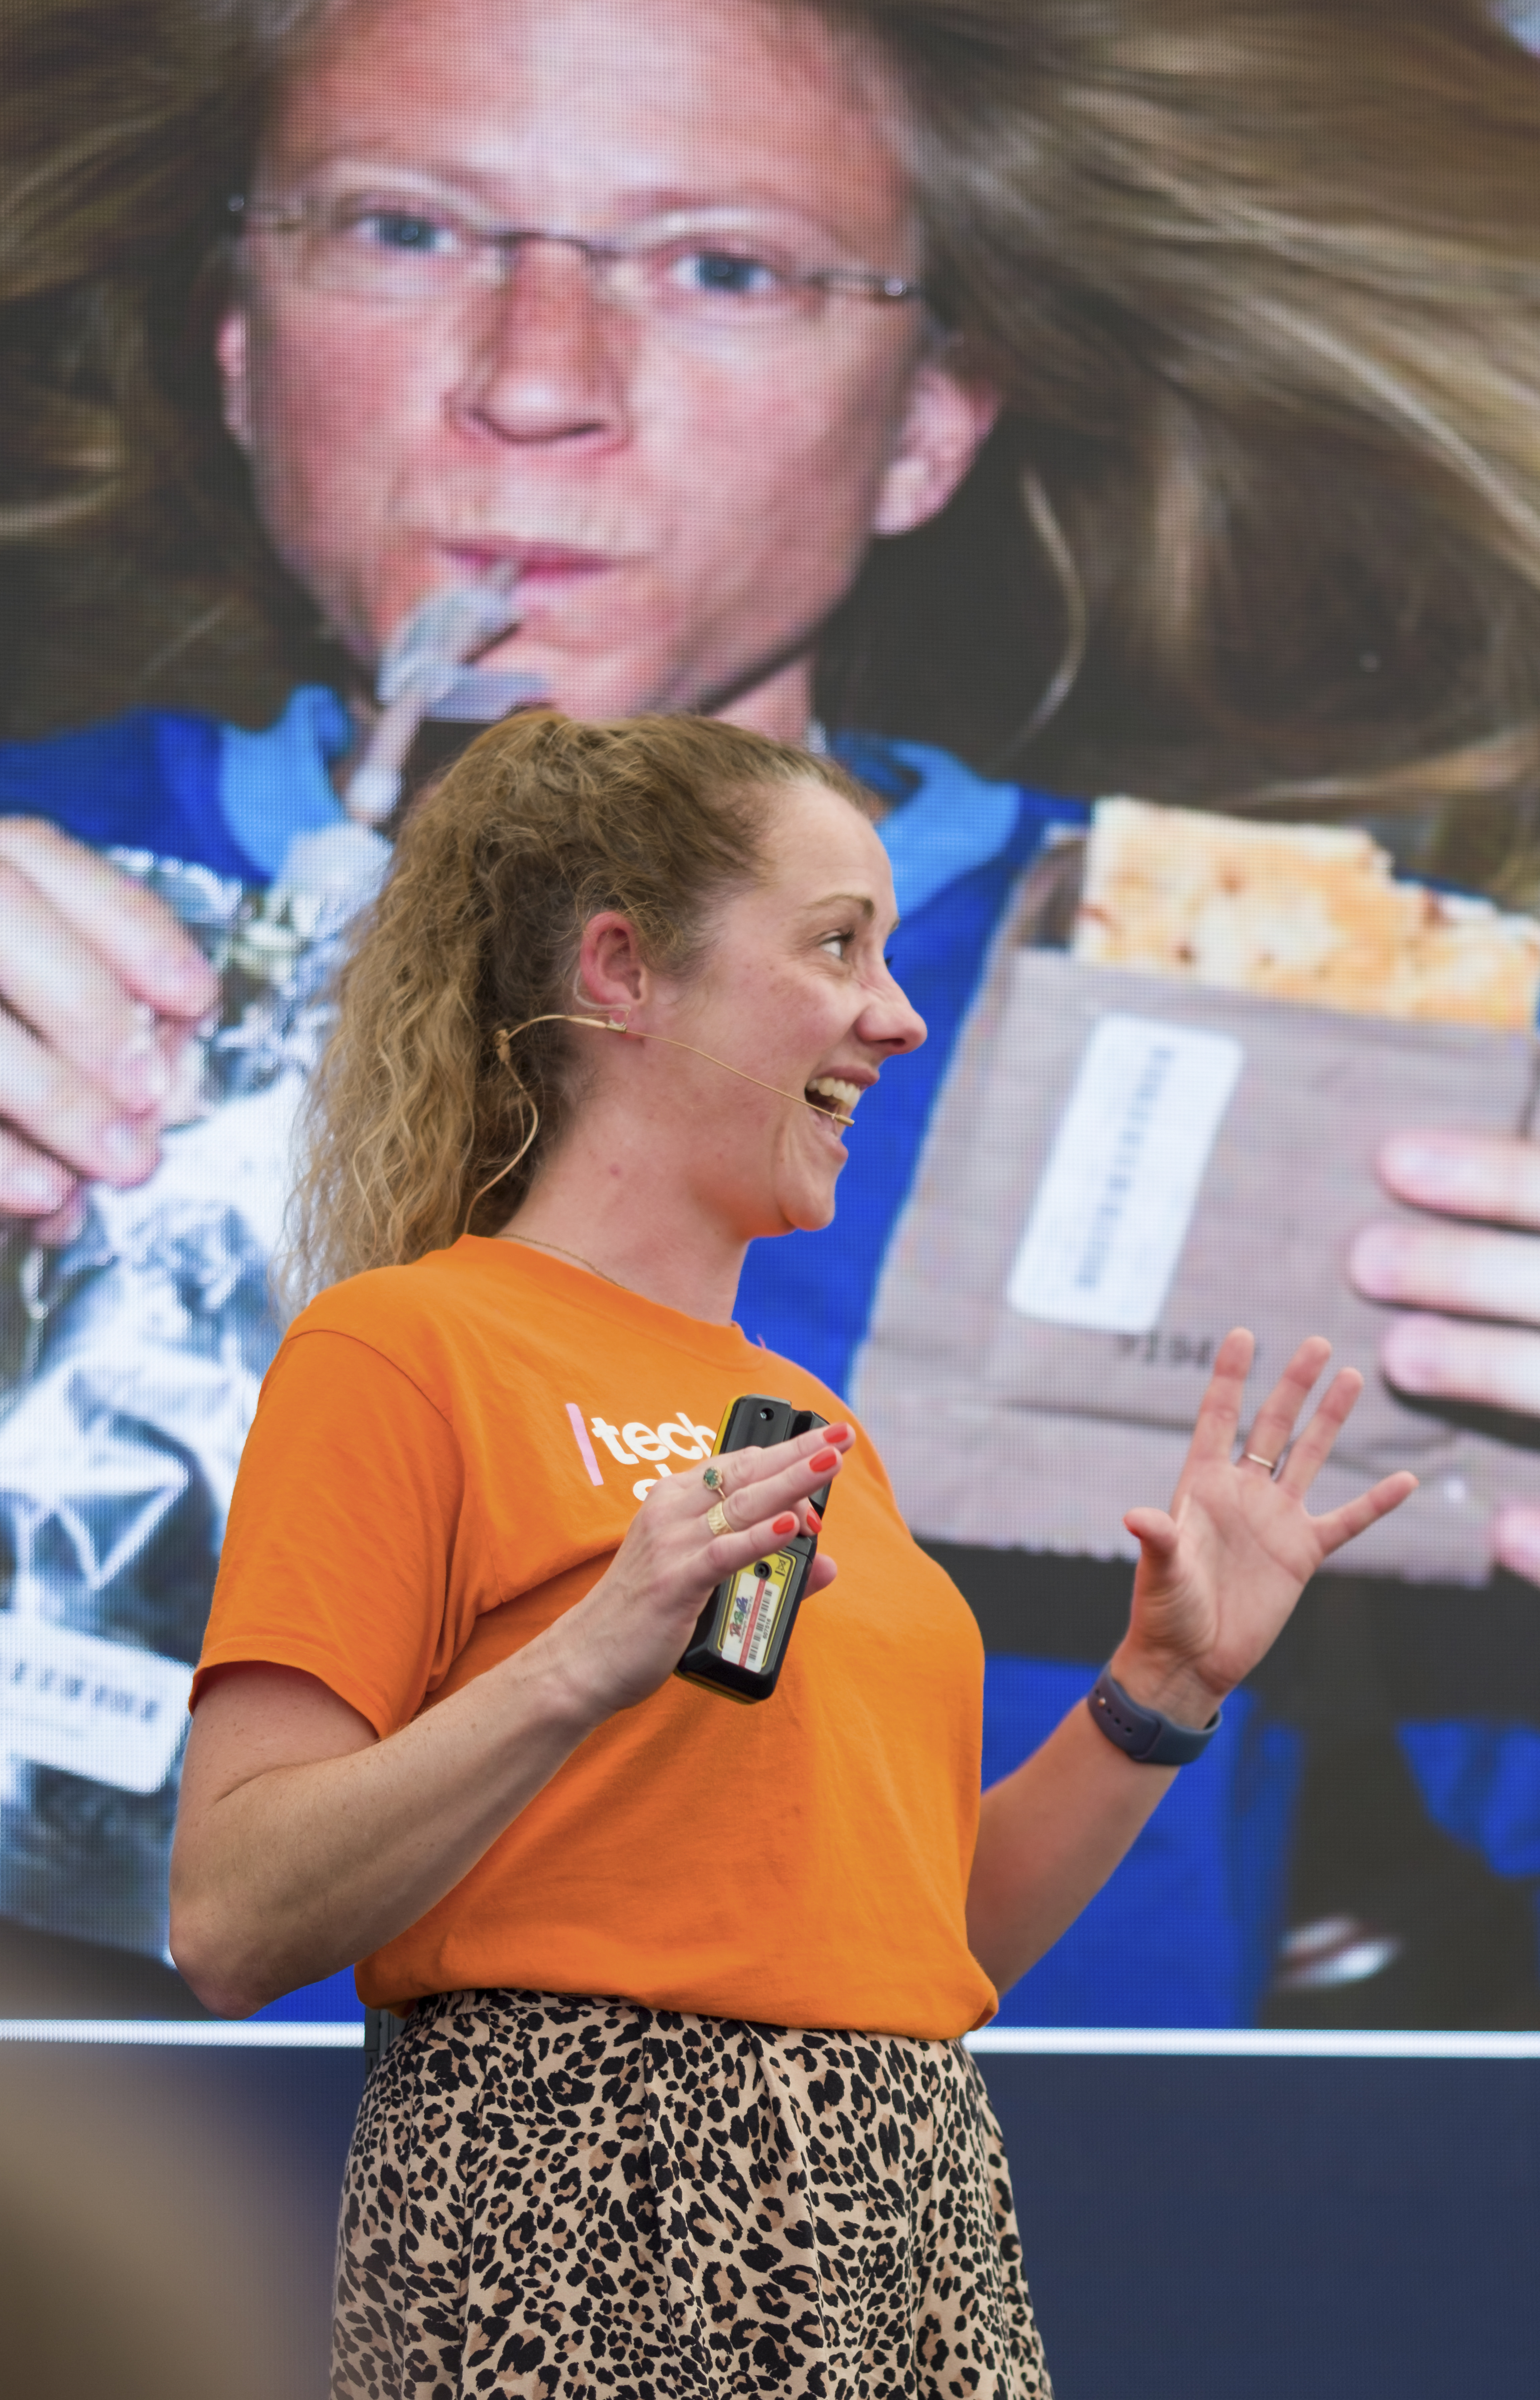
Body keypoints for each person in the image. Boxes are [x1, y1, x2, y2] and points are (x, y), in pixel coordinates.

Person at [0, 0, 1540, 2021]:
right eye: (403, 228)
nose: (533, 381)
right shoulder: (27, 889)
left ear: (931, 422)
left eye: (725, 267)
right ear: (238, 339)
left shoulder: (1325, 1031)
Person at [167, 709, 1413, 2390]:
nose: (898, 1015)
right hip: (578, 2218)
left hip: (913, 2212)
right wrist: (579, 1668)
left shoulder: (817, 1424)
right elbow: (232, 1918)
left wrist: (1164, 1689)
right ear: (624, 971)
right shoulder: (405, 1348)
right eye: (837, 946)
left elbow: (922, 1943)